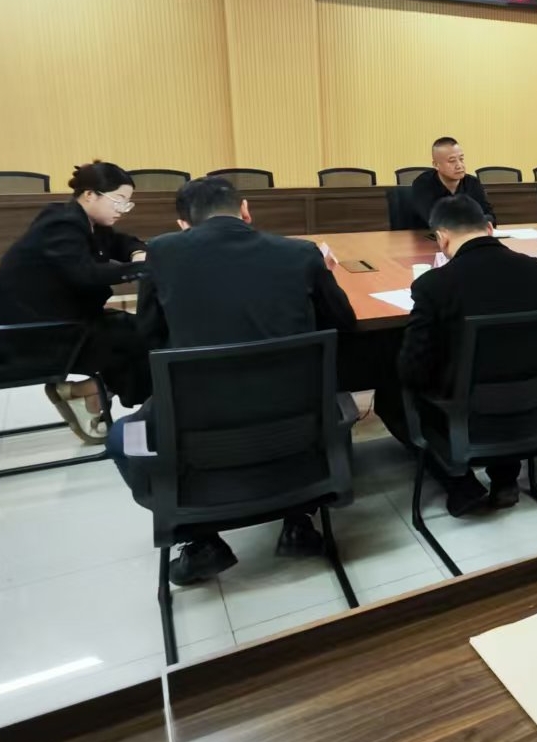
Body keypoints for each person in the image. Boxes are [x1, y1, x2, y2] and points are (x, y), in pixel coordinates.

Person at [117, 175, 358, 584]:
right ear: (245, 210)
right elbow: (342, 323)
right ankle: (298, 520)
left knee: (122, 438)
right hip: (295, 420)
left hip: (197, 424)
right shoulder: (300, 253)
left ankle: (200, 539)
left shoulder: (161, 253)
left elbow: (149, 336)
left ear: (183, 224)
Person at [390, 195, 537, 516]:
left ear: (441, 237)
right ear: (489, 228)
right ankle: (505, 479)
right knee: (506, 361)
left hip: (472, 410)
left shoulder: (433, 285)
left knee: (392, 394)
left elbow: (412, 369)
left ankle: (460, 483)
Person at [0, 160, 150, 439]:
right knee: (144, 337)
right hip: (39, 335)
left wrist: (137, 253)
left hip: (53, 319)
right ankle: (102, 398)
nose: (122, 209)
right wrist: (138, 270)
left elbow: (120, 242)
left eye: (127, 203)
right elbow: (85, 274)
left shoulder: (82, 220)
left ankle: (94, 394)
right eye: (119, 200)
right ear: (90, 195)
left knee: (139, 328)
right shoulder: (61, 225)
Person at [409, 136, 493, 227]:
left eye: (461, 159)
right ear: (436, 165)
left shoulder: (472, 183)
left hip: (469, 234)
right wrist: (474, 220)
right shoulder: (423, 184)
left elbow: (489, 216)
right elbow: (435, 221)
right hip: (426, 235)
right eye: (452, 161)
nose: (459, 165)